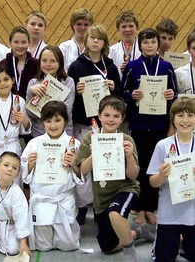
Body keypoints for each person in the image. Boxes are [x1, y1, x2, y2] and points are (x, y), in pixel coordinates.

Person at [77, 95, 153, 261]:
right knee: (107, 246)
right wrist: (94, 153)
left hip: (125, 188)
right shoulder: (89, 138)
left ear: (122, 119)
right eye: (107, 115)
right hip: (101, 197)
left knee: (115, 213)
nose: (111, 120)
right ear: (99, 115)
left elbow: (133, 176)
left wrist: (130, 156)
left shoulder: (126, 140)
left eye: (116, 116)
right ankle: (138, 232)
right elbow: (83, 170)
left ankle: (129, 252)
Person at [148, 97, 195, 261]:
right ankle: (173, 241)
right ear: (173, 118)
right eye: (180, 115)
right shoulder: (163, 145)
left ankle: (184, 242)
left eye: (190, 115)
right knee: (164, 258)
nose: (185, 120)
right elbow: (153, 182)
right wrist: (161, 175)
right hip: (170, 213)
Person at [122, 28, 177, 225]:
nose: (150, 46)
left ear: (157, 44)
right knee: (140, 166)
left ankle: (151, 207)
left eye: (153, 42)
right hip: (138, 125)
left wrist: (171, 95)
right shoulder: (132, 66)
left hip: (159, 126)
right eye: (146, 42)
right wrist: (131, 95)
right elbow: (122, 91)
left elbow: (176, 95)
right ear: (140, 45)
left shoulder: (167, 67)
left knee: (155, 168)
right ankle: (138, 208)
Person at [67, 24, 121, 224]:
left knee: (105, 166)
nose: (95, 41)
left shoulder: (111, 67)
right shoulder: (76, 66)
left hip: (107, 125)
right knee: (84, 166)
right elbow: (69, 97)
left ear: (105, 42)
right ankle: (81, 206)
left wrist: (114, 87)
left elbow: (120, 97)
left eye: (100, 38)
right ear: (86, 41)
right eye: (92, 38)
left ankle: (103, 207)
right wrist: (77, 89)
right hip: (84, 123)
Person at [21, 101, 83, 251]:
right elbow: (25, 176)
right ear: (43, 123)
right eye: (48, 121)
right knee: (44, 246)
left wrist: (74, 164)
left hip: (63, 199)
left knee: (68, 245)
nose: (53, 125)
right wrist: (30, 164)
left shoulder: (73, 144)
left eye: (57, 120)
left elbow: (81, 177)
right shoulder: (34, 144)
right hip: (42, 201)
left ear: (65, 121)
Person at [26, 46, 75, 138]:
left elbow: (66, 111)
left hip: (63, 133)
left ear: (60, 63)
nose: (48, 64)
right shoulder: (33, 83)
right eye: (44, 61)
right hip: (38, 134)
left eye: (53, 61)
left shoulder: (68, 82)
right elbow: (30, 115)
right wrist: (31, 93)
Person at [0, 26, 39, 99]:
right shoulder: (2, 65)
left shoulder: (36, 64)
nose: (20, 46)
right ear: (10, 43)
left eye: (23, 42)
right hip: (7, 107)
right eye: (16, 42)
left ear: (29, 43)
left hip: (30, 107)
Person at [109, 10, 140, 78]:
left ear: (137, 28)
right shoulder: (112, 50)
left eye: (131, 26)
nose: (127, 30)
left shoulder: (144, 49)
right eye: (124, 26)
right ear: (118, 29)